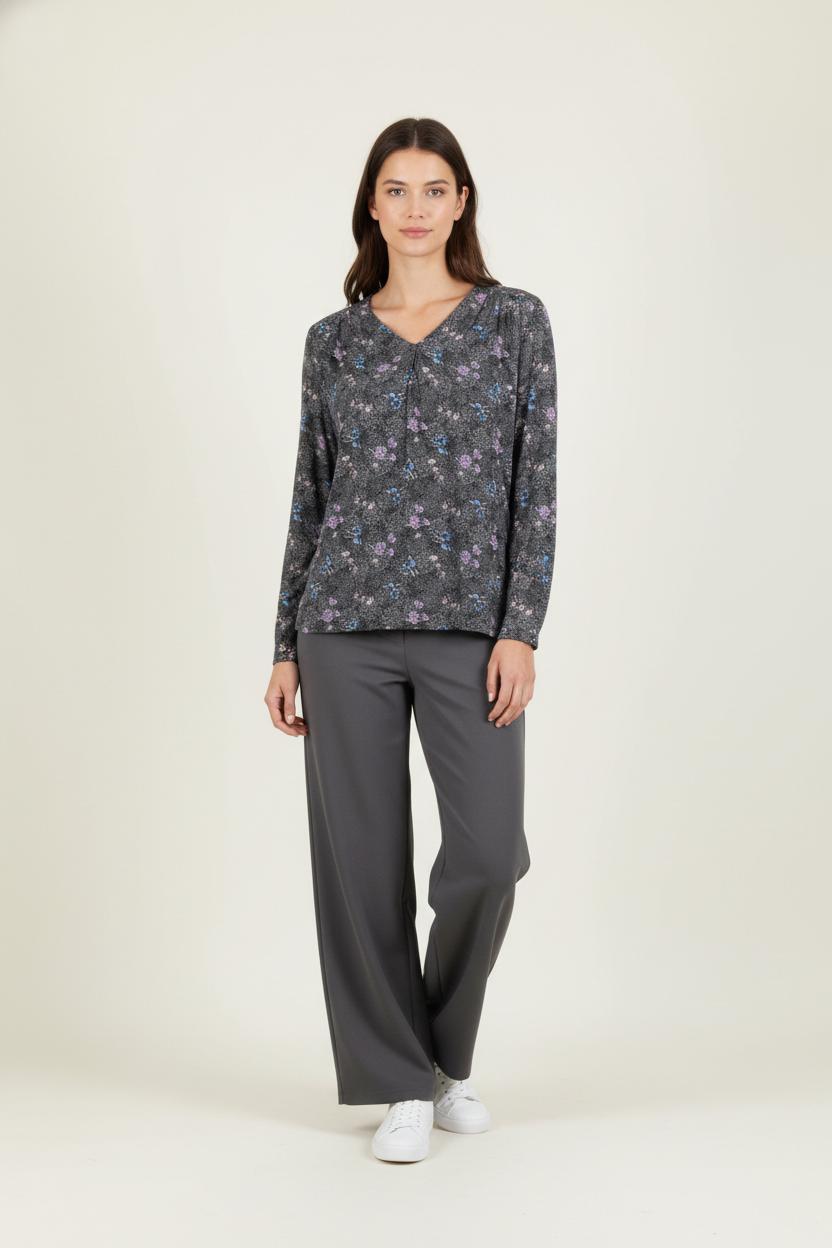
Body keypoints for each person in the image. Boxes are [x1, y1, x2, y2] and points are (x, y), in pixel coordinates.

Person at [264, 117, 557, 1163]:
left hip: (469, 629)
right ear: (373, 206)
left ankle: (442, 1055)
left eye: (436, 189)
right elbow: (310, 494)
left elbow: (536, 483)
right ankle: (398, 1080)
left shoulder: (514, 322)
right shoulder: (333, 342)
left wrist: (520, 627)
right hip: (340, 627)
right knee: (361, 864)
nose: (417, 207)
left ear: (460, 201)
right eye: (397, 189)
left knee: (488, 854)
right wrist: (284, 643)